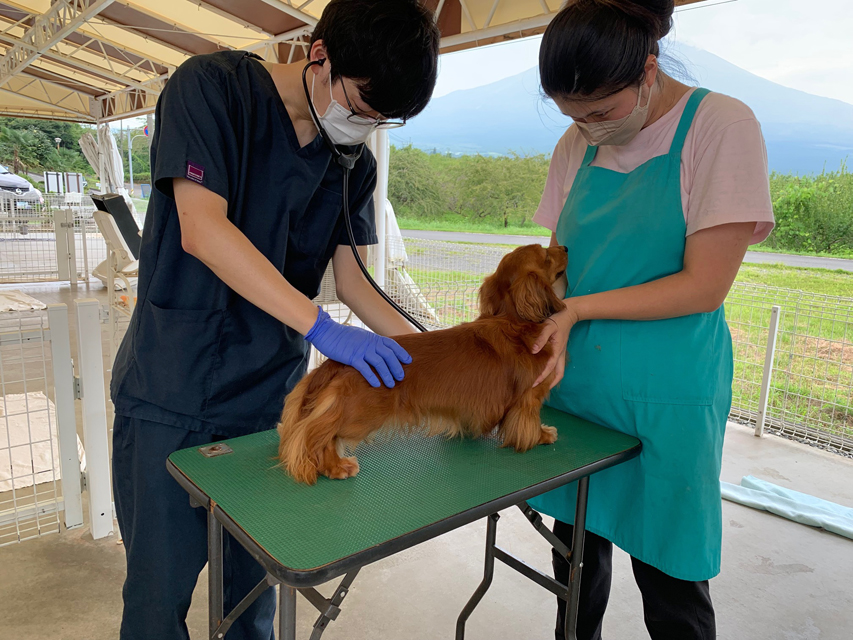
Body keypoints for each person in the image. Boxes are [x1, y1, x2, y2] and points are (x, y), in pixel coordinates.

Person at [109, 2, 440, 638]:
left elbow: (355, 283)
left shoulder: (353, 165)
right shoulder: (212, 90)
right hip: (170, 388)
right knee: (157, 598)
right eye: (363, 107)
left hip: (269, 401)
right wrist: (322, 327)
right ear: (320, 55)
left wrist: (443, 355)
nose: (365, 128)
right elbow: (203, 231)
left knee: (254, 597)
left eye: (383, 121)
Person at [527, 1, 775, 638]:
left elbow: (704, 286)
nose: (589, 128)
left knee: (671, 581)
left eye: (601, 113)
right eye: (572, 117)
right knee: (574, 573)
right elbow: (558, 260)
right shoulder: (575, 143)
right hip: (580, 392)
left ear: (646, 70)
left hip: (667, 394)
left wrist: (578, 308)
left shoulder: (718, 125)